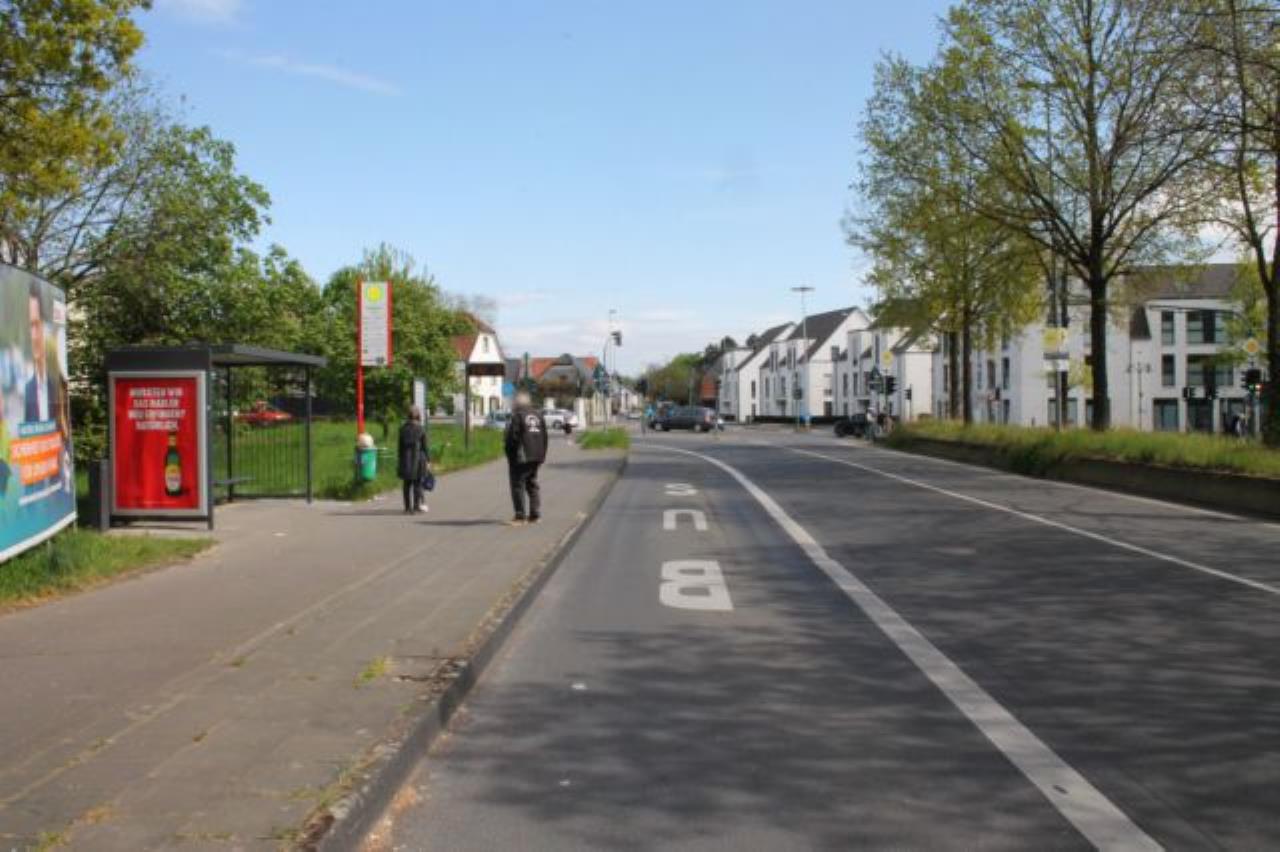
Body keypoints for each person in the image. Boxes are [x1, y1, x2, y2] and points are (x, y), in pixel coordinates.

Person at [505, 391, 548, 524]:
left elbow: (512, 439)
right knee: (532, 484)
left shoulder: (518, 416)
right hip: (537, 456)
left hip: (522, 457)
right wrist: (542, 456)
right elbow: (545, 437)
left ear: (517, 403)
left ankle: (520, 516)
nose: (512, 404)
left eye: (513, 402)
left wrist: (510, 456)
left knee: (518, 485)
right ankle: (535, 515)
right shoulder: (538, 416)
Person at [24, 282, 58, 425]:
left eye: (35, 325)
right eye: (27, 327)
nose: (32, 336)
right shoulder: (27, 391)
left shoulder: (58, 387)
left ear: (46, 327)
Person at [397, 406, 429, 514]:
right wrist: (428, 460)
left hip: (405, 459)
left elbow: (400, 447)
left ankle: (407, 508)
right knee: (417, 484)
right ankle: (416, 506)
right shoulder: (421, 429)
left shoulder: (402, 429)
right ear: (418, 416)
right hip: (418, 459)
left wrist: (400, 459)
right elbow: (425, 447)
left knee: (406, 484)